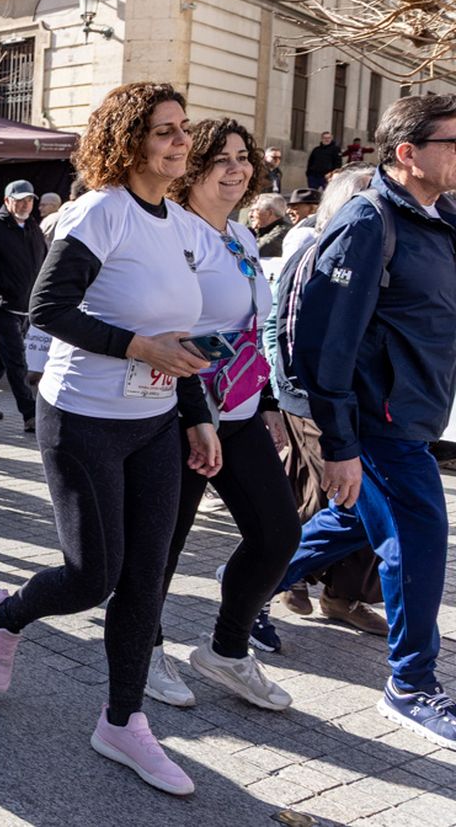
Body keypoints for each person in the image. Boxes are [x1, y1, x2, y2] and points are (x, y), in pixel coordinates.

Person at [0, 82, 219, 796]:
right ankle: (6, 613)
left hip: (157, 422)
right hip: (83, 419)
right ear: (129, 140)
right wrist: (140, 347)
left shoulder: (180, 224)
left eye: (183, 128)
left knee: (146, 577)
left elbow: (178, 335)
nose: (181, 141)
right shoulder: (102, 211)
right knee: (92, 576)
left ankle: (122, 721)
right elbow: (47, 308)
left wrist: (198, 412)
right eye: (165, 131)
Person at [278, 94, 456, 749]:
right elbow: (324, 343)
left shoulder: (442, 216)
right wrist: (340, 443)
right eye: (454, 143)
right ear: (408, 153)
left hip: (416, 413)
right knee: (418, 538)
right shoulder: (368, 220)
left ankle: (247, 584)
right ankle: (411, 685)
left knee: (348, 521)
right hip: (377, 422)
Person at [145, 118, 298, 712]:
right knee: (164, 544)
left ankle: (227, 651)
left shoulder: (240, 235)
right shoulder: (174, 232)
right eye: (221, 159)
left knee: (278, 533)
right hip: (178, 413)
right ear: (193, 169)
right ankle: (142, 647)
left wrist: (267, 402)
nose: (236, 169)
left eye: (243, 157)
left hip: (237, 411)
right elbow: (170, 326)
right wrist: (194, 417)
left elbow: (250, 328)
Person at [263, 165, 387, 637]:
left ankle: (340, 596)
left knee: (355, 505)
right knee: (342, 503)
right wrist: (289, 395)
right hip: (316, 402)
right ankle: (270, 578)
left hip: (358, 405)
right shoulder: (318, 252)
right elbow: (290, 331)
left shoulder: (374, 250)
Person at [0, 178, 47, 431]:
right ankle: (30, 414)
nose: (25, 204)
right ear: (7, 201)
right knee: (16, 360)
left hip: (25, 306)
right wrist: (3, 285)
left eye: (29, 200)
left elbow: (43, 262)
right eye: (20, 200)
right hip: (2, 306)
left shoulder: (34, 228)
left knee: (4, 357)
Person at [280, 187, 323, 263]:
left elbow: (291, 263)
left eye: (295, 208)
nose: (288, 211)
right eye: (289, 207)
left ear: (313, 209)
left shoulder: (304, 232)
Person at [250, 193, 291, 262]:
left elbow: (254, 251)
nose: (250, 215)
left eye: (255, 210)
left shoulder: (282, 232)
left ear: (269, 213)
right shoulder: (259, 231)